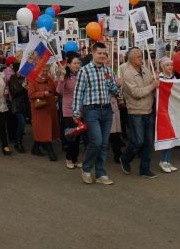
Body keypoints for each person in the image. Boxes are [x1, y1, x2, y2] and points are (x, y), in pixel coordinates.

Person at [72, 42, 120, 185]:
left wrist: (117, 85)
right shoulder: (84, 71)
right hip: (91, 110)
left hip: (106, 109)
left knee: (104, 144)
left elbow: (114, 92)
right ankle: (86, 169)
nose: (102, 56)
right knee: (97, 141)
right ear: (93, 53)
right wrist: (76, 111)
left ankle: (100, 173)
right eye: (99, 53)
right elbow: (78, 92)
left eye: (104, 54)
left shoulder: (108, 71)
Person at [119, 48, 160, 179]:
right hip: (136, 111)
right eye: (138, 57)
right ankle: (125, 158)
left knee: (148, 142)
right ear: (131, 59)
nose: (141, 59)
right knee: (138, 141)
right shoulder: (127, 74)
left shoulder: (145, 69)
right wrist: (153, 85)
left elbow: (149, 84)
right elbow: (136, 93)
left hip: (148, 110)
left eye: (141, 56)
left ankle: (145, 169)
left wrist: (156, 80)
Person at [27, 67, 61, 161]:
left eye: (46, 71)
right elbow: (31, 94)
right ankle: (51, 152)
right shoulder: (32, 80)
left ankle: (35, 148)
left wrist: (58, 82)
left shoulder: (50, 80)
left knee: (45, 130)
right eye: (42, 71)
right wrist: (43, 93)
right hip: (40, 109)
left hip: (50, 109)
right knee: (45, 130)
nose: (45, 73)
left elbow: (55, 92)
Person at [57, 54, 83, 169]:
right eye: (75, 63)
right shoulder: (65, 76)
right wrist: (62, 77)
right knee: (71, 135)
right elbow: (59, 91)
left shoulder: (82, 75)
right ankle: (68, 158)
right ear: (68, 64)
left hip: (80, 109)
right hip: (68, 110)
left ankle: (75, 158)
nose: (77, 65)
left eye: (78, 63)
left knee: (77, 136)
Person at [6, 56, 28, 153]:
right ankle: (18, 142)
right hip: (17, 105)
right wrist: (23, 87)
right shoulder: (12, 79)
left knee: (21, 124)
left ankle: (18, 140)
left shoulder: (25, 78)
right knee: (22, 123)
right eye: (19, 70)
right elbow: (14, 93)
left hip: (24, 104)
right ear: (16, 70)